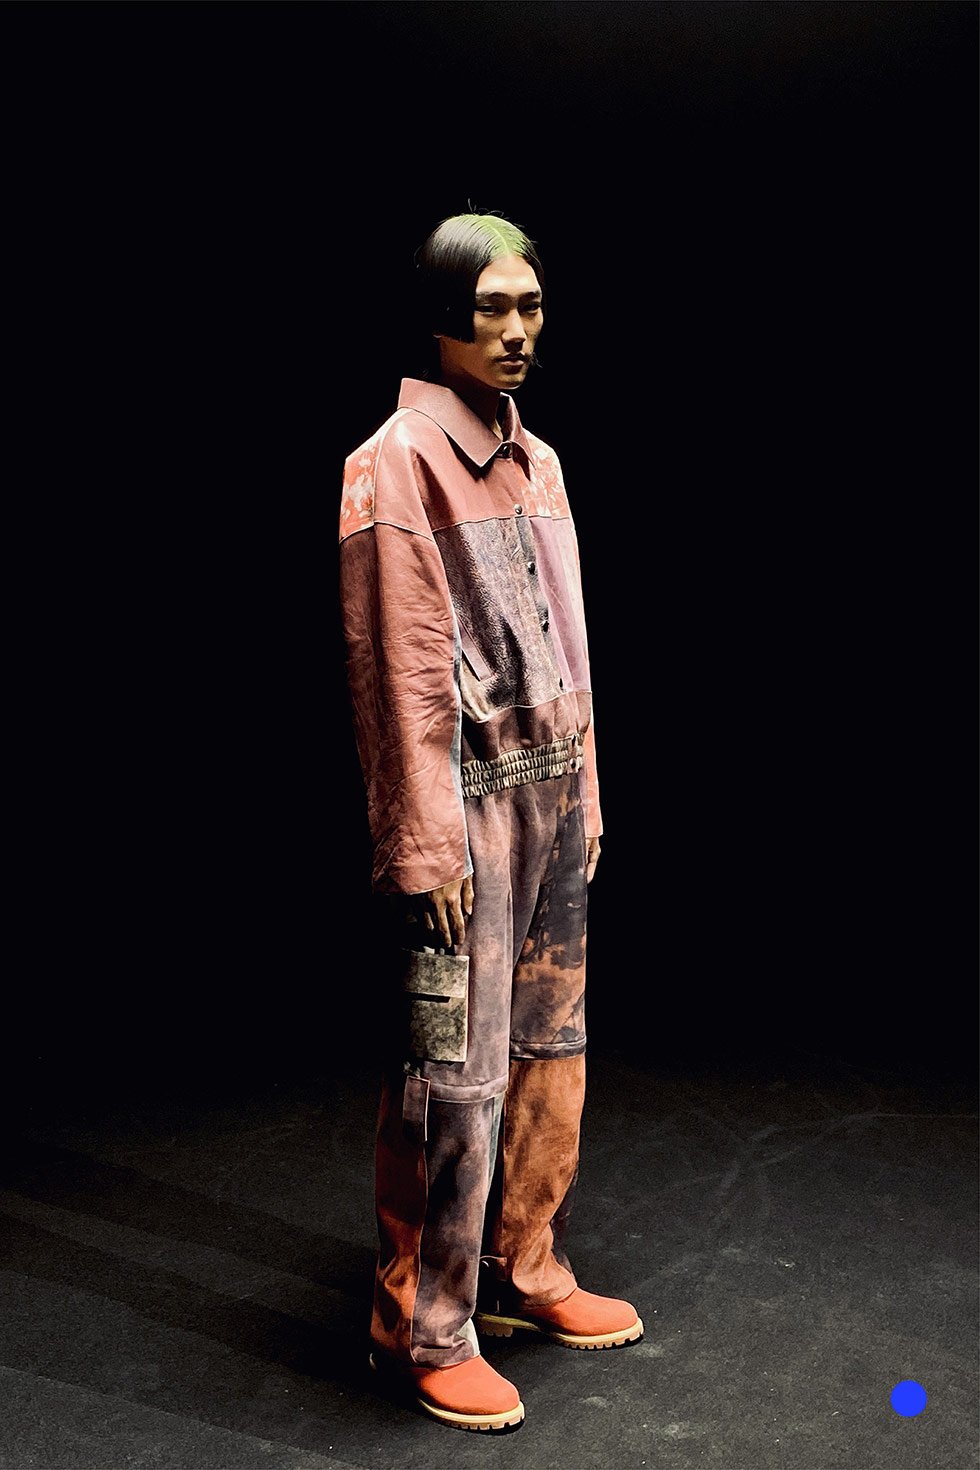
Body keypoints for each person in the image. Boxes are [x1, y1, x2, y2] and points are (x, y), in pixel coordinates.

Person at [337, 211, 642, 1434]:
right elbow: (397, 666)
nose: (515, 330)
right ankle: (419, 1322)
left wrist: (589, 793)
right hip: (463, 814)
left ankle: (525, 1261)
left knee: (550, 1046)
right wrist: (420, 841)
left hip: (551, 796)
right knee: (449, 1072)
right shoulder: (395, 461)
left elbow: (570, 644)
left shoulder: (538, 460)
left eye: (529, 306)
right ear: (442, 317)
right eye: (490, 308)